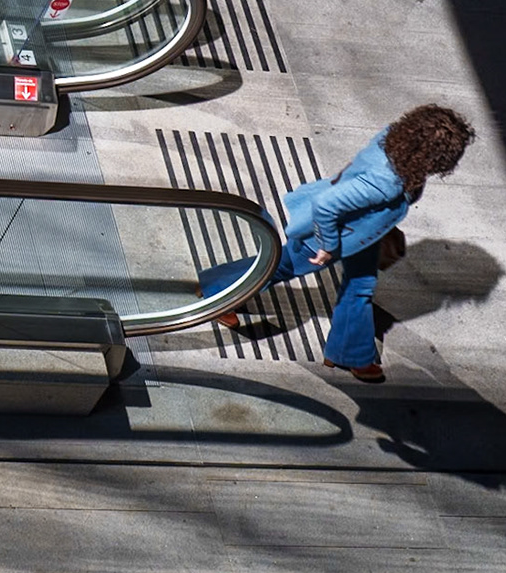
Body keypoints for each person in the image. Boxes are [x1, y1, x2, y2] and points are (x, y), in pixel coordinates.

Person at [200, 104, 476, 383]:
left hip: (360, 234)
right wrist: (328, 245)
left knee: (359, 288)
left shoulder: (394, 140)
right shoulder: (386, 181)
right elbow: (326, 205)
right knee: (280, 266)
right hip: (331, 234)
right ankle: (218, 290)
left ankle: (351, 355)